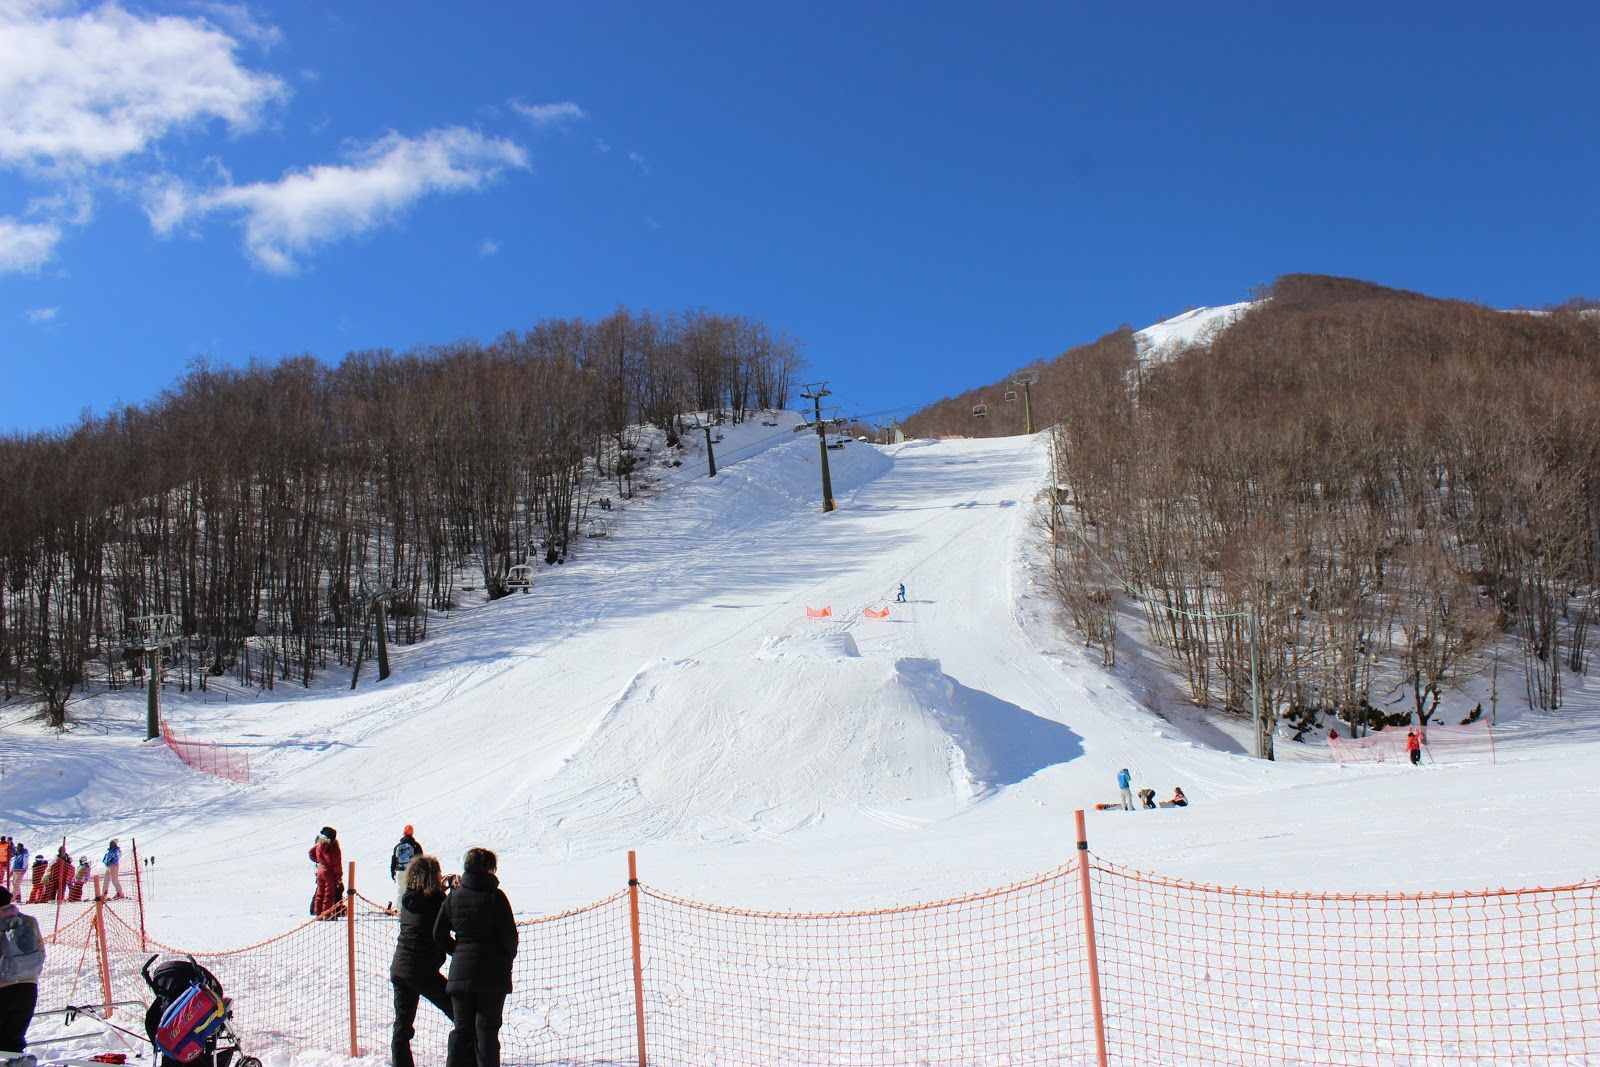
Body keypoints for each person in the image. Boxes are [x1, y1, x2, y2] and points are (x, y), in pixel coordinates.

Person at [434, 847, 517, 1067]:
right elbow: (510, 938)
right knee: (487, 1032)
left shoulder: (454, 897)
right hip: (492, 976)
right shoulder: (496, 897)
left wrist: (458, 952)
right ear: (489, 869)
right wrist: (504, 960)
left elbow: (438, 934)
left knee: (462, 1030)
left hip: (461, 973)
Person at [391, 855, 453, 1067]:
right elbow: (448, 920)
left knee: (402, 1025)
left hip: (400, 968)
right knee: (460, 1013)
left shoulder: (408, 898)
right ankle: (467, 1057)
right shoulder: (436, 901)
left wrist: (442, 890)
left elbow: (427, 907)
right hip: (422, 971)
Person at [0, 885, 45, 1058]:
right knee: (14, 1043)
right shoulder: (29, 921)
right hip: (28, 988)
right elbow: (41, 953)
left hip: (2, 988)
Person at [309, 827, 344, 919]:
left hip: (320, 870)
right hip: (329, 872)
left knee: (320, 892)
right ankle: (326, 913)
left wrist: (319, 861)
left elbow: (311, 853)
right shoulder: (333, 847)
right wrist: (339, 876)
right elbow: (336, 863)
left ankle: (318, 912)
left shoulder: (320, 844)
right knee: (329, 893)